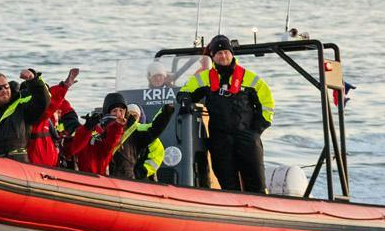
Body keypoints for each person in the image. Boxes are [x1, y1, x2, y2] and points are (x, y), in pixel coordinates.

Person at [178, 34, 273, 193]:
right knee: (228, 186)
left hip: (247, 138)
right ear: (213, 57)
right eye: (219, 53)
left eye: (226, 52)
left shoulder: (250, 78)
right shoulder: (205, 78)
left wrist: (256, 130)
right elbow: (185, 91)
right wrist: (185, 100)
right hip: (220, 141)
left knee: (256, 184)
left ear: (232, 54)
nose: (223, 56)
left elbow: (267, 103)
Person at [107, 96, 176, 182]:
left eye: (135, 115)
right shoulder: (105, 130)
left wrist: (141, 172)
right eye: (130, 114)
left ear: (140, 117)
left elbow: (155, 130)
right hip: (111, 178)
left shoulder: (141, 132)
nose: (118, 114)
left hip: (134, 178)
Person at [27, 67, 81, 166]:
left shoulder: (66, 116)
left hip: (55, 164)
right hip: (37, 166)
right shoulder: (36, 116)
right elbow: (49, 104)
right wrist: (64, 86)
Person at [68, 93, 132, 175]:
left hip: (109, 176)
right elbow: (75, 147)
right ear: (107, 112)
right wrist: (87, 128)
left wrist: (118, 126)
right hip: (86, 174)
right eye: (114, 110)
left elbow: (110, 144)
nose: (118, 114)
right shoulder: (95, 128)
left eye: (121, 111)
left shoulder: (123, 131)